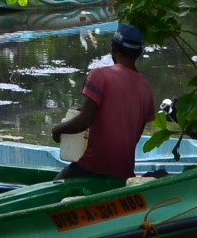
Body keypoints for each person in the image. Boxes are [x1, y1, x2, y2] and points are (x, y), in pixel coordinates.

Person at [51, 25, 157, 180]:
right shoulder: (146, 88)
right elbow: (133, 130)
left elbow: (84, 120)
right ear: (139, 53)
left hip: (93, 168)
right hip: (124, 173)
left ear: (113, 47)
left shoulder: (99, 76)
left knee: (56, 187)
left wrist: (58, 129)